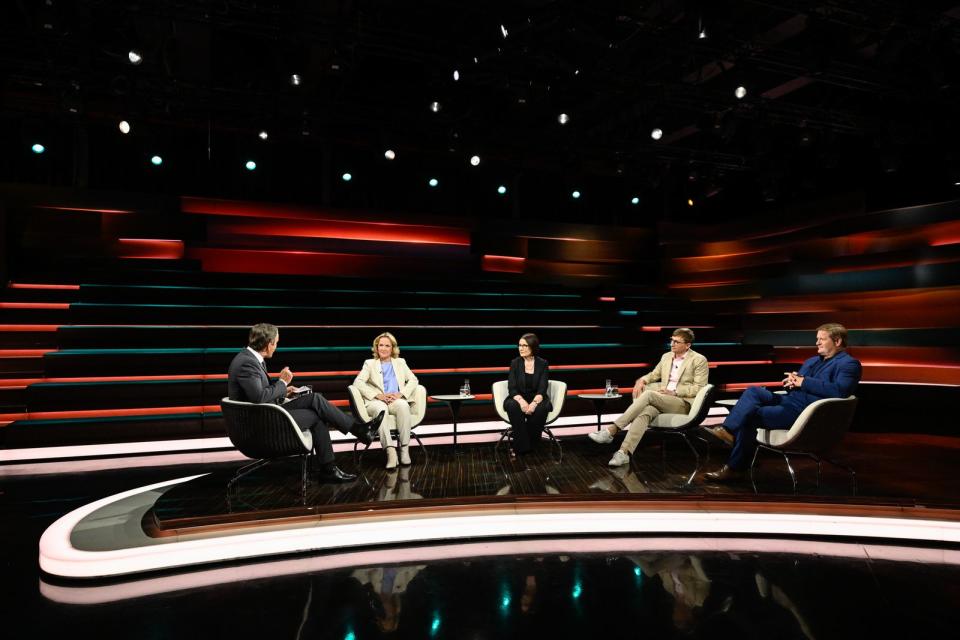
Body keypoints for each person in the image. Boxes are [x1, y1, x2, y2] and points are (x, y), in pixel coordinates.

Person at [703, 322, 862, 482]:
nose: (817, 343)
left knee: (750, 416)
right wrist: (791, 382)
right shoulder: (812, 361)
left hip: (806, 411)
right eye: (817, 339)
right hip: (790, 400)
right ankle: (728, 430)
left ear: (837, 341)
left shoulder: (848, 364)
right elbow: (799, 383)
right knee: (753, 391)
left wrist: (803, 382)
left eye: (822, 339)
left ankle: (734, 468)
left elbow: (840, 390)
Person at [227, 323, 384, 483]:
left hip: (267, 412)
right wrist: (281, 383)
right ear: (269, 344)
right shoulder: (247, 363)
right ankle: (334, 461)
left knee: (315, 399)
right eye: (277, 343)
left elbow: (259, 393)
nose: (276, 347)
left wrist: (284, 390)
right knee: (317, 416)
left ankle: (356, 435)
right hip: (261, 423)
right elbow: (258, 397)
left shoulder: (250, 358)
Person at [588, 328, 709, 467]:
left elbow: (699, 388)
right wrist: (642, 380)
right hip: (663, 399)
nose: (672, 344)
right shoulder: (666, 356)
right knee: (646, 412)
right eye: (671, 340)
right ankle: (624, 452)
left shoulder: (698, 360)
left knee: (649, 394)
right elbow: (654, 374)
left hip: (683, 403)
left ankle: (612, 430)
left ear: (687, 345)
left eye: (677, 341)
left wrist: (675, 391)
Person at [353, 331, 422, 470]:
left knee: (403, 405)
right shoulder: (370, 363)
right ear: (376, 347)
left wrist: (400, 394)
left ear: (393, 348)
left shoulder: (400, 362)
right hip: (376, 402)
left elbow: (414, 380)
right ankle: (390, 451)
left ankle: (404, 449)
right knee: (381, 409)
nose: (383, 348)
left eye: (387, 346)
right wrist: (377, 395)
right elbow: (358, 382)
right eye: (381, 345)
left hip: (394, 400)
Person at [504, 333, 551, 456]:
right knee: (513, 406)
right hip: (518, 397)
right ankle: (523, 447)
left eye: (525, 345)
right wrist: (522, 401)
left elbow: (542, 388)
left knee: (541, 409)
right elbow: (512, 388)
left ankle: (532, 443)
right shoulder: (515, 363)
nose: (521, 348)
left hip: (537, 397)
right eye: (520, 345)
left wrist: (534, 403)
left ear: (533, 347)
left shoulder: (543, 363)